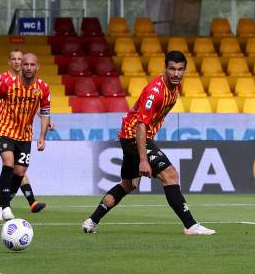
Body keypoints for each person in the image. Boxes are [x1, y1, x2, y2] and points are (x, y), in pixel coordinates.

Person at [82, 50, 215, 235]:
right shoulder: (155, 92)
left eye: (180, 69)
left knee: (128, 184)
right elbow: (141, 125)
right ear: (164, 68)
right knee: (170, 175)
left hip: (130, 136)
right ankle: (191, 225)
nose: (176, 74)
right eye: (172, 69)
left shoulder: (174, 88)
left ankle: (92, 221)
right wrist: (143, 159)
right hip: (134, 137)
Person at [0, 53, 51, 221]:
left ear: (37, 67)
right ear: (19, 66)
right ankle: (6, 206)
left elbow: (44, 112)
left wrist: (42, 136)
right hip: (6, 130)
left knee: (20, 171)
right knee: (8, 162)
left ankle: (0, 203)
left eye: (32, 65)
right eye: (25, 64)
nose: (28, 67)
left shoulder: (43, 88)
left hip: (25, 135)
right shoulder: (6, 82)